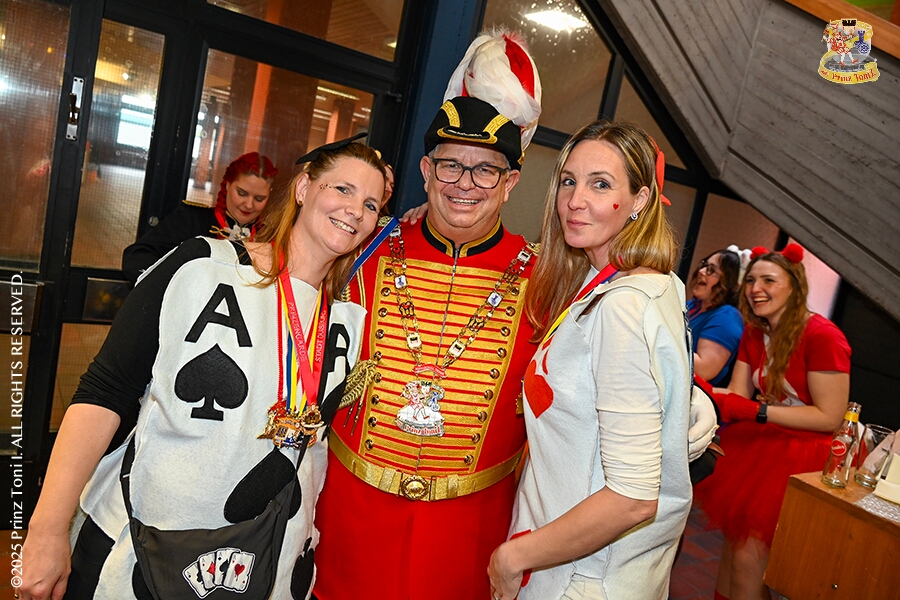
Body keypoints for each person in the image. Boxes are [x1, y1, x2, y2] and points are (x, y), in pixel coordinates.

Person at [18, 138, 388, 600]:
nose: (355, 210)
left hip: (266, 562)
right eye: (343, 189)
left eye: (371, 204)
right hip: (141, 549)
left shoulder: (348, 322)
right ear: (303, 188)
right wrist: (46, 529)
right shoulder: (202, 266)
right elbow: (104, 393)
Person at [312, 31, 544, 600]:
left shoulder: (548, 281)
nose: (464, 185)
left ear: (510, 182)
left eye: (485, 170)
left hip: (469, 539)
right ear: (424, 169)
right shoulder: (359, 247)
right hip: (348, 523)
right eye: (449, 166)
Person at [487, 121, 693, 600]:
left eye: (600, 184)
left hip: (581, 576)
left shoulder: (622, 304)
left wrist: (513, 558)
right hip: (593, 563)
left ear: (640, 200)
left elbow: (632, 498)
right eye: (568, 181)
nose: (575, 200)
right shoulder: (651, 281)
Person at [693, 244, 851, 600]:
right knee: (732, 556)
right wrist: (698, 385)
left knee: (748, 559)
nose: (756, 289)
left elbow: (830, 417)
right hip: (762, 446)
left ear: (794, 285)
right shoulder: (755, 332)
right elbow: (738, 393)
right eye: (751, 280)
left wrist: (758, 412)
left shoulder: (823, 336)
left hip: (805, 458)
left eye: (768, 280)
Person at [122, 151, 277, 284]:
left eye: (259, 199)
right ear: (227, 184)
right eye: (242, 193)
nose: (249, 205)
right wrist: (180, 285)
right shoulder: (191, 220)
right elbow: (136, 257)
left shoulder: (271, 237)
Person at [687, 249, 744, 386]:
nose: (701, 271)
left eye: (711, 270)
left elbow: (704, 370)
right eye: (704, 265)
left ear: (727, 281)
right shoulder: (693, 305)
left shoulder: (727, 317)